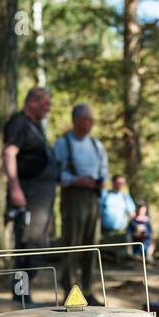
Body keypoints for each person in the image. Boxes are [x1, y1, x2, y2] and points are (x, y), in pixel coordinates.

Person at [2, 87, 58, 300]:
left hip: (43, 196)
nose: (48, 109)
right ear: (32, 102)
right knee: (27, 244)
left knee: (39, 245)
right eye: (45, 104)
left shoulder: (36, 126)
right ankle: (20, 294)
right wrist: (15, 188)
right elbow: (8, 153)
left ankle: (24, 292)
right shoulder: (18, 123)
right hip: (29, 193)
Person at [53, 103, 108, 301]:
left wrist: (100, 182)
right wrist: (76, 180)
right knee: (72, 244)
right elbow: (57, 173)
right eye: (86, 119)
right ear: (76, 120)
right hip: (72, 196)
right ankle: (69, 291)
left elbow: (103, 170)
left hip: (92, 197)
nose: (90, 123)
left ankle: (87, 290)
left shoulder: (96, 145)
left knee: (91, 244)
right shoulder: (63, 143)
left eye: (92, 120)